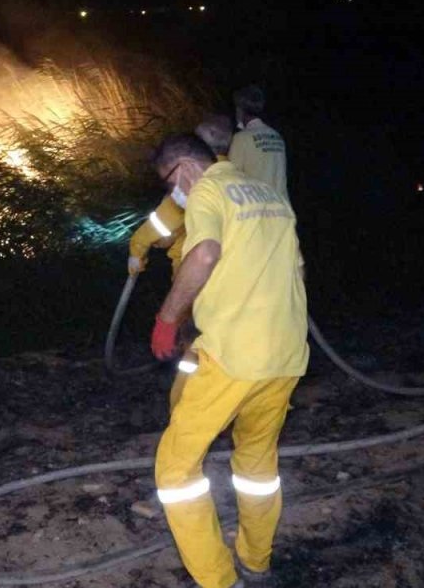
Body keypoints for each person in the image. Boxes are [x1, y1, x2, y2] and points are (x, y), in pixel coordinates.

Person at [147, 134, 308, 588]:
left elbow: (205, 253)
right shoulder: (270, 194)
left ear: (181, 169)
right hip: (287, 353)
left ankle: (219, 580)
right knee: (257, 465)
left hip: (234, 356)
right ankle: (256, 563)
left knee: (176, 469)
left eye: (168, 183)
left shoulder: (208, 191)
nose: (171, 194)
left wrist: (167, 318)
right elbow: (297, 268)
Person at [127, 115, 234, 278]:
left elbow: (165, 219)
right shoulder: (235, 173)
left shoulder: (194, 183)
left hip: (191, 269)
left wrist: (137, 249)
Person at [228, 84, 288, 202]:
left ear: (240, 110)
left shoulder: (241, 138)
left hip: (258, 210)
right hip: (282, 208)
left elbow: (231, 177)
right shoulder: (277, 136)